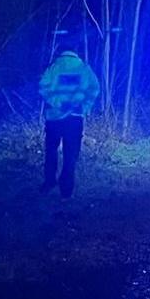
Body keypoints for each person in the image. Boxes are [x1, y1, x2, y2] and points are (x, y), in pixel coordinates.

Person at [39, 44, 100, 198]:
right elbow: (95, 89)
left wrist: (58, 103)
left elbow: (43, 87)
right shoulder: (84, 68)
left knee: (51, 151)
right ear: (76, 52)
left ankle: (49, 182)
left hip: (54, 118)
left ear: (62, 52)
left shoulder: (54, 67)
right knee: (71, 155)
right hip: (74, 118)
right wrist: (84, 107)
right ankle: (66, 191)